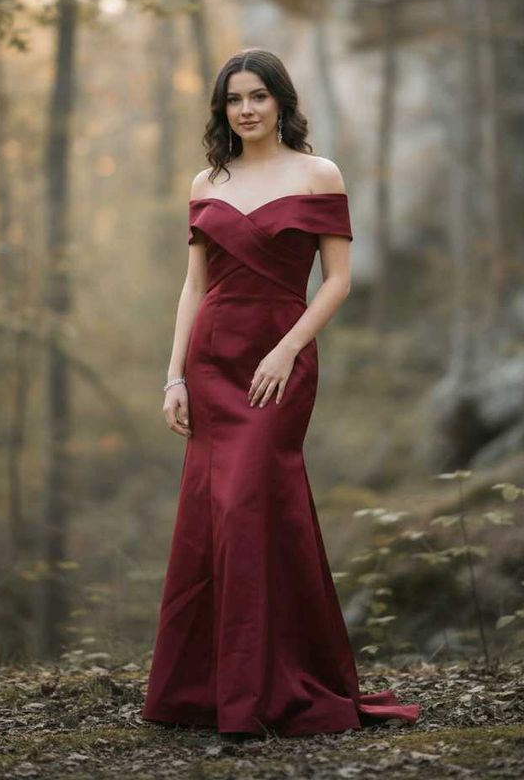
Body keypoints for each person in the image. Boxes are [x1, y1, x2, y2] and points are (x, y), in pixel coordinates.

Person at [141, 48, 420, 739]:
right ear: (222, 110)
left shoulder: (318, 173)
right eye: (233, 99)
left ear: (280, 102)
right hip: (212, 363)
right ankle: (210, 692)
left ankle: (270, 689)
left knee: (252, 507)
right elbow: (194, 288)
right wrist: (174, 375)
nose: (246, 109)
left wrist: (289, 347)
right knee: (217, 519)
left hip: (279, 361)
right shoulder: (207, 180)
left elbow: (338, 280)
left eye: (258, 96)